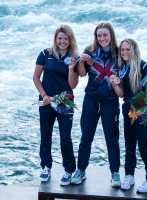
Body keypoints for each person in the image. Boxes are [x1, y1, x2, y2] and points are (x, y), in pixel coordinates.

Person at [70, 22, 121, 187]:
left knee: (111, 139)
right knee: (86, 137)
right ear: (96, 37)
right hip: (91, 100)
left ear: (111, 35)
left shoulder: (119, 52)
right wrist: (83, 61)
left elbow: (127, 72)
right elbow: (83, 74)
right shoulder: (89, 50)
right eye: (99, 36)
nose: (102, 38)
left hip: (110, 102)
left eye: (105, 35)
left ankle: (115, 173)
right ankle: (81, 170)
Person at [33, 24, 79, 185]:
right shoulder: (45, 54)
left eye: (65, 39)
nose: (62, 41)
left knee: (65, 137)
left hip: (65, 103)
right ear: (55, 39)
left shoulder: (75, 58)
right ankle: (46, 167)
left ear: (70, 40)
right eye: (59, 38)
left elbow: (73, 85)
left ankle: (68, 170)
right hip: (46, 102)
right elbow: (36, 77)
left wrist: (72, 69)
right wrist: (44, 95)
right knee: (45, 136)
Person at [110, 38, 147, 193]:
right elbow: (123, 94)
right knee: (129, 144)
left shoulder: (144, 66)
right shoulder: (122, 67)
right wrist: (116, 84)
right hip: (128, 110)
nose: (124, 52)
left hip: (143, 112)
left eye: (127, 49)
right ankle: (129, 176)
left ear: (134, 50)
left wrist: (145, 106)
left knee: (144, 146)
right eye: (122, 50)